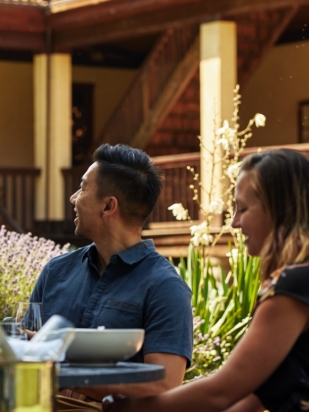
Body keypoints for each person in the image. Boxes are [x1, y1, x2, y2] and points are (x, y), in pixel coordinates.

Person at [104, 148, 309, 412]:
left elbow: (220, 393)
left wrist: (134, 407)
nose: (234, 223)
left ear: (281, 210)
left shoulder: (296, 287)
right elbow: (258, 397)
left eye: (242, 208)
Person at [29, 144, 193, 408]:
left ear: (108, 206)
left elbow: (164, 387)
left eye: (82, 188)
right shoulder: (55, 272)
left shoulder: (165, 287)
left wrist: (63, 374)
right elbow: (27, 354)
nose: (73, 198)